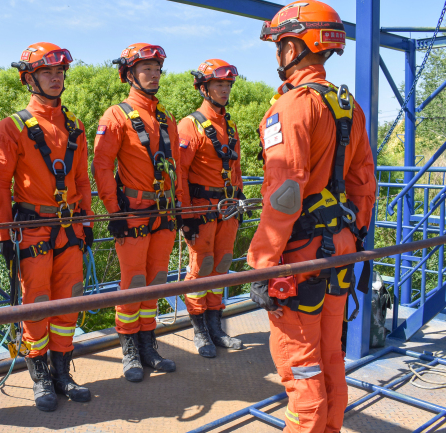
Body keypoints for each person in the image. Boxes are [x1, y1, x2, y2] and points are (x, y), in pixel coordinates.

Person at [248, 2, 376, 432]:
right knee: (330, 356)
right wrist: (355, 235)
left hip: (300, 255)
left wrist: (262, 263)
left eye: (280, 45)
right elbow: (364, 184)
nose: (278, 54)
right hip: (339, 248)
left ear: (293, 48)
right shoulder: (348, 108)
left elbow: (284, 195)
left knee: (301, 366)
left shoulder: (291, 107)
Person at [0, 42, 93, 412]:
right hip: (32, 230)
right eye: (47, 72)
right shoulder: (12, 126)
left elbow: (81, 180)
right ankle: (40, 376)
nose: (55, 78)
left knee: (69, 301)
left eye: (59, 72)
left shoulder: (75, 126)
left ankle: (62, 372)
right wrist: (4, 235)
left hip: (69, 228)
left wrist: (87, 220)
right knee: (35, 304)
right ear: (29, 79)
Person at [92, 43, 182, 383]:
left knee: (156, 282)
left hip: (164, 212)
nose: (154, 74)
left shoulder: (165, 118)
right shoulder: (116, 116)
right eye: (147, 69)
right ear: (129, 74)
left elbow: (177, 167)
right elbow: (102, 166)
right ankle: (129, 350)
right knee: (133, 284)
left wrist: (179, 205)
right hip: (133, 212)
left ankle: (148, 346)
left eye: (157, 69)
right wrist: (114, 212)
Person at [177, 59, 244, 358]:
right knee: (201, 267)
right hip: (201, 209)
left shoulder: (229, 125)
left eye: (228, 84)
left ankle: (216, 326)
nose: (225, 89)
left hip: (228, 208)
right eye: (219, 84)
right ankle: (200, 330)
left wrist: (239, 198)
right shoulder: (189, 125)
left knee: (222, 265)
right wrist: (186, 215)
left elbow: (236, 169)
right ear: (204, 88)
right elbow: (179, 174)